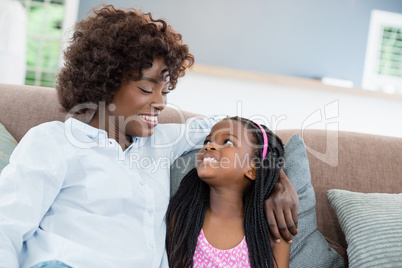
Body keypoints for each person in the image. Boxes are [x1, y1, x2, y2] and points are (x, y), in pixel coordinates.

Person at [0, 5, 297, 268]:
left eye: (165, 91)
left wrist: (277, 178)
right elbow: (6, 226)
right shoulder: (54, 141)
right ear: (104, 82)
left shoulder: (161, 142)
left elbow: (241, 132)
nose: (161, 103)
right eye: (146, 89)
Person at [166, 117, 290, 267]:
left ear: (253, 169)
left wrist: (282, 180)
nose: (210, 146)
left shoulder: (272, 229)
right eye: (207, 141)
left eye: (228, 142)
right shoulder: (184, 216)